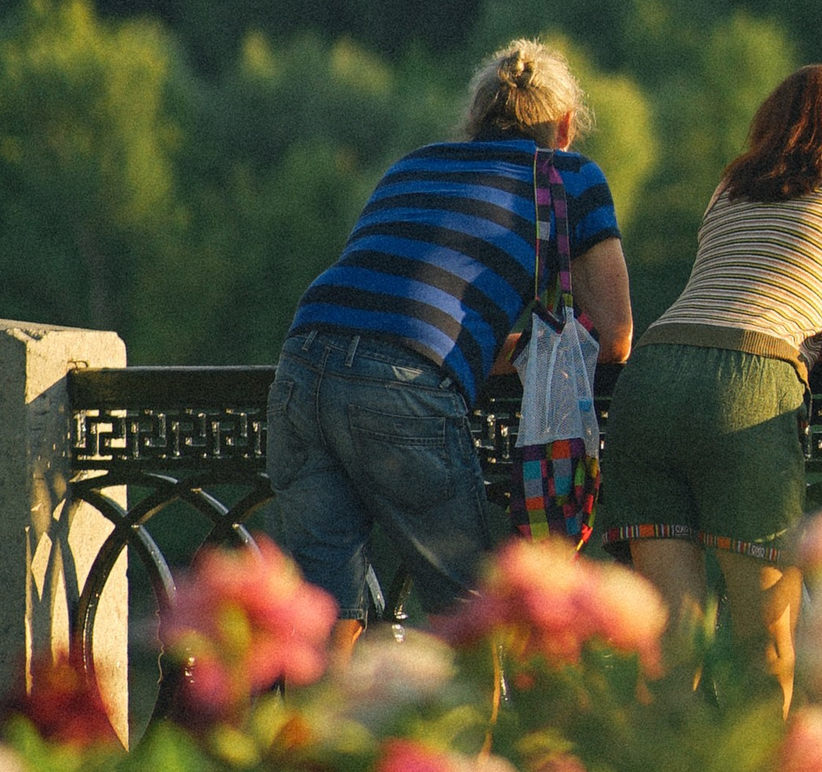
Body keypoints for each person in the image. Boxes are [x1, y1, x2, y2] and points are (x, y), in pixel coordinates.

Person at [266, 37, 633, 647]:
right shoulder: (569, 177)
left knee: (321, 614)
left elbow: (401, 290)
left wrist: (487, 346)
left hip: (301, 362)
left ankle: (315, 742)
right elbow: (615, 335)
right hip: (402, 386)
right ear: (565, 126)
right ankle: (483, 746)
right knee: (470, 617)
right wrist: (526, 351)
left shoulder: (413, 165)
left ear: (475, 119)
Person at [598, 63, 822, 705]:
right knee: (764, 646)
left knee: (669, 651)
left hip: (650, 376)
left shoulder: (733, 183)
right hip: (749, 382)